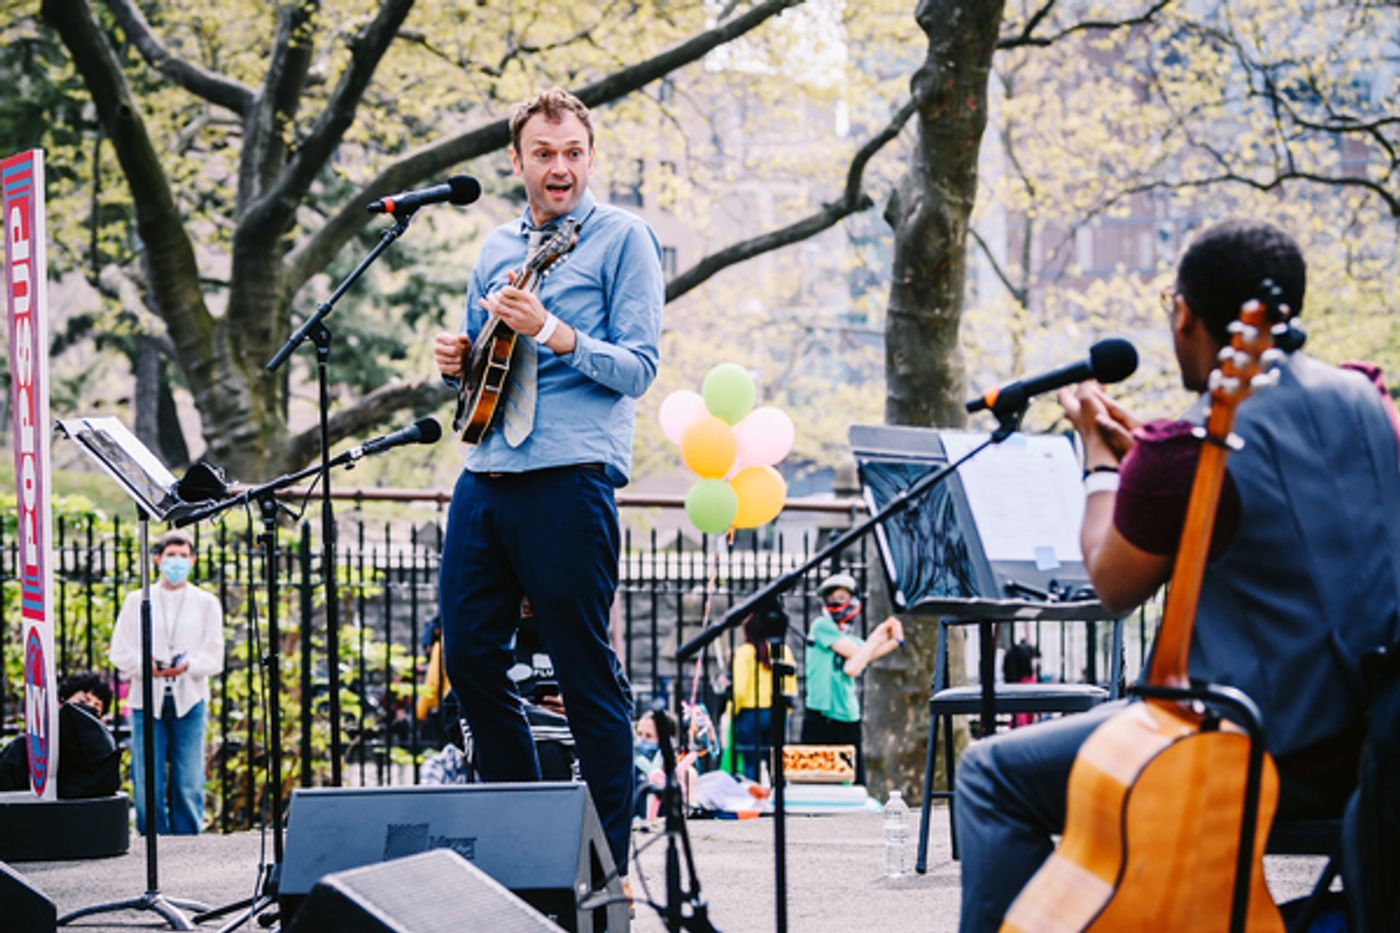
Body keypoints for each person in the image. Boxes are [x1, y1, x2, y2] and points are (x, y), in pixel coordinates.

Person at [954, 219, 1400, 932]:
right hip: (1372, 742)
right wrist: (1145, 462)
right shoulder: (1368, 400)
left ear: (1185, 314)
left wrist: (1100, 461)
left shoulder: (1186, 448)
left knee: (990, 774)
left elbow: (1114, 583)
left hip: (1250, 745)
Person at [432, 86, 664, 879]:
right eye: (543, 153)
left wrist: (557, 333)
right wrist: (458, 362)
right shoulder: (495, 246)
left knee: (582, 669)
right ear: (517, 160)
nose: (559, 167)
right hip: (486, 471)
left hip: (570, 475)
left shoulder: (624, 239)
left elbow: (639, 367)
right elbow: (484, 374)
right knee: (468, 658)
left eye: (572, 153)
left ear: (591, 157)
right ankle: (526, 843)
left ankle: (604, 868)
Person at [109, 529, 225, 835]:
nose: (177, 562)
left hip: (190, 699)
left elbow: (214, 656)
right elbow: (120, 651)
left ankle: (187, 844)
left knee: (189, 779)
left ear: (193, 561)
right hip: (146, 700)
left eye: (183, 556)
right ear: (158, 559)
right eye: (171, 555)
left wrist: (187, 665)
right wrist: (145, 665)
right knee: (147, 777)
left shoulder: (206, 602)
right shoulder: (137, 600)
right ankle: (153, 839)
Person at [800, 572, 904, 785]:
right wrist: (878, 636)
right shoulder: (821, 626)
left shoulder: (851, 638)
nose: (836, 603)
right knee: (815, 780)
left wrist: (894, 641)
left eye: (842, 597)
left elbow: (863, 657)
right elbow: (856, 661)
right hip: (820, 714)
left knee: (853, 781)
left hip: (846, 715)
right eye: (831, 598)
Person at [0, 671, 120, 798]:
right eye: (82, 702)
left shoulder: (101, 763)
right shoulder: (23, 749)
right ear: (61, 703)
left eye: (95, 710)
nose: (86, 712)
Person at [730, 613, 796, 782]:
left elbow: (740, 690)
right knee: (776, 763)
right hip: (776, 711)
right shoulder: (783, 651)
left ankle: (754, 795)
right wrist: (786, 711)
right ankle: (778, 793)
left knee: (751, 765)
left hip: (749, 713)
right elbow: (790, 686)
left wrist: (732, 711)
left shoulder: (745, 652)